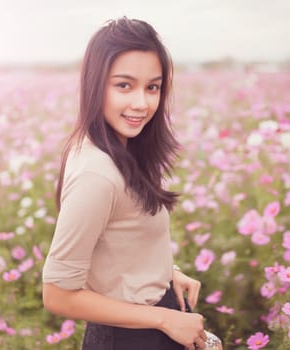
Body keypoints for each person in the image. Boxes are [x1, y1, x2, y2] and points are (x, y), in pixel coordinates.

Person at [42, 17, 207, 350]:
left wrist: (164, 275)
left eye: (152, 87)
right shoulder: (96, 173)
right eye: (124, 85)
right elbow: (57, 294)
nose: (141, 104)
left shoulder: (119, 149)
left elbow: (118, 240)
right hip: (131, 336)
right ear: (95, 85)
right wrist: (165, 317)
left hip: (148, 322)